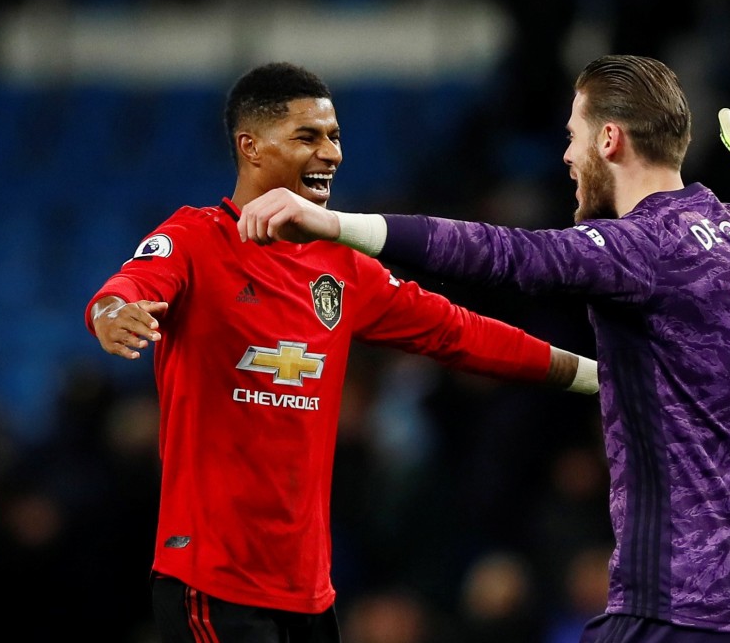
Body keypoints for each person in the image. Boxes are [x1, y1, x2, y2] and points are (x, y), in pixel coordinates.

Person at [237, 54, 730, 642]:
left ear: (609, 139)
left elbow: (502, 254)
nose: (567, 156)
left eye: (573, 136)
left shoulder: (642, 244)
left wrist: (335, 224)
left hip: (677, 604)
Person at [84, 61, 597, 643]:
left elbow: (460, 333)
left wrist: (596, 377)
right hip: (214, 581)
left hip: (308, 592)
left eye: (334, 136)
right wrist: (111, 314)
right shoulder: (196, 239)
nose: (331, 153)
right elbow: (127, 288)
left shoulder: (342, 267)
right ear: (251, 147)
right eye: (308, 137)